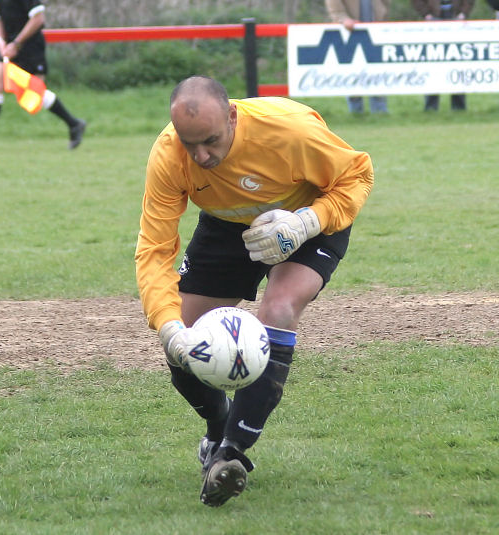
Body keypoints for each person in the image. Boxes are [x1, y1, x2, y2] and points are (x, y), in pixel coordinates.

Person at [135, 76, 373, 507]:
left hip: (307, 217)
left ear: (231, 116)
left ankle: (231, 455)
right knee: (186, 341)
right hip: (227, 225)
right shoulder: (169, 155)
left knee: (279, 309)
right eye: (190, 145)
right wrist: (168, 328)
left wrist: (307, 221)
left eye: (209, 141)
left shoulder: (289, 130)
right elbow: (153, 250)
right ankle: (219, 428)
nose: (200, 156)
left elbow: (357, 175)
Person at [0, 0, 86, 150]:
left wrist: (17, 44)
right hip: (9, 45)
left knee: (35, 92)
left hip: (29, 47)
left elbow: (38, 19)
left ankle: (74, 124)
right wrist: (1, 41)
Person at [325, 0, 391, 114]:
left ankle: (380, 112)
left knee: (378, 72)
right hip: (349, 32)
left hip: (376, 31)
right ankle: (356, 112)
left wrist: (382, 14)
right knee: (352, 74)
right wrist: (342, 18)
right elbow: (333, 4)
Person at [412, 0, 475, 111]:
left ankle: (459, 107)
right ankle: (431, 107)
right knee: (432, 64)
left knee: (457, 64)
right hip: (432, 21)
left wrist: (463, 14)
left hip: (457, 21)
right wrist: (426, 14)